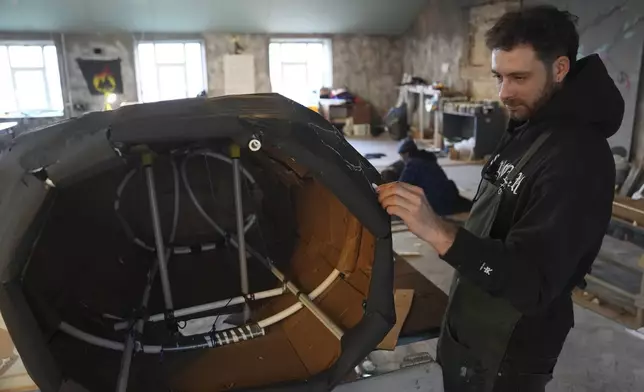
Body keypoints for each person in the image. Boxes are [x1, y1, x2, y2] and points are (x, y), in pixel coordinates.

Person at [377, 5, 623, 392]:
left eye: (519, 77)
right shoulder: (531, 123)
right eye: (499, 77)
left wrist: (442, 234)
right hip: (474, 311)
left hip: (511, 346)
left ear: (559, 69)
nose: (504, 93)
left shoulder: (579, 159)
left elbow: (531, 284)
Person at [381, 138, 472, 216]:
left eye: (402, 156)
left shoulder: (412, 164)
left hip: (435, 202)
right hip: (449, 194)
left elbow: (400, 186)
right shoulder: (427, 158)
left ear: (407, 154)